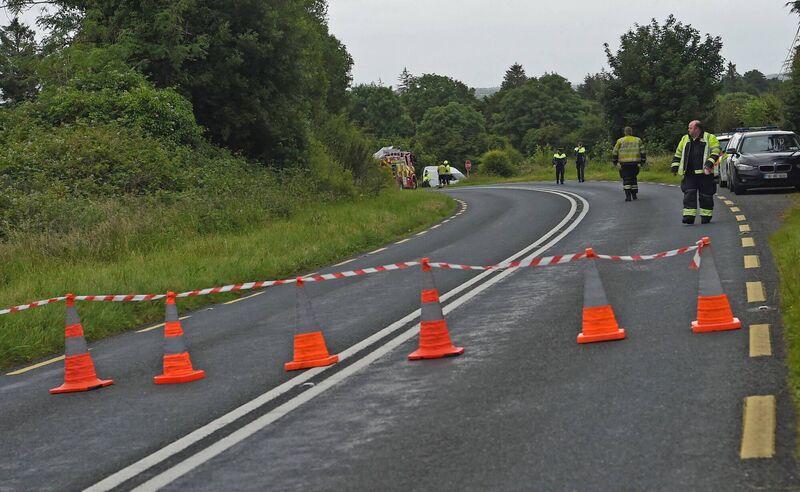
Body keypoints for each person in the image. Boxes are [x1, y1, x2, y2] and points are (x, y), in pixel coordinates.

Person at [671, 120, 721, 224]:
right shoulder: (685, 139)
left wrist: (709, 163)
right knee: (689, 194)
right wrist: (674, 166)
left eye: (690, 128)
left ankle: (706, 217)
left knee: (706, 196)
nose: (688, 130)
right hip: (689, 173)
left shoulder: (710, 138)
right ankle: (688, 216)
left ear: (697, 129)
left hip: (705, 174)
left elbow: (716, 152)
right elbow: (678, 153)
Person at [612, 127, 646, 201]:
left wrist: (615, 161)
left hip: (624, 163)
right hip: (635, 163)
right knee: (633, 178)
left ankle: (628, 196)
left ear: (625, 132)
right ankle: (634, 195)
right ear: (631, 132)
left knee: (626, 179)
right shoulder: (637, 140)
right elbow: (643, 151)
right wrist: (643, 161)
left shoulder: (620, 141)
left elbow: (615, 152)